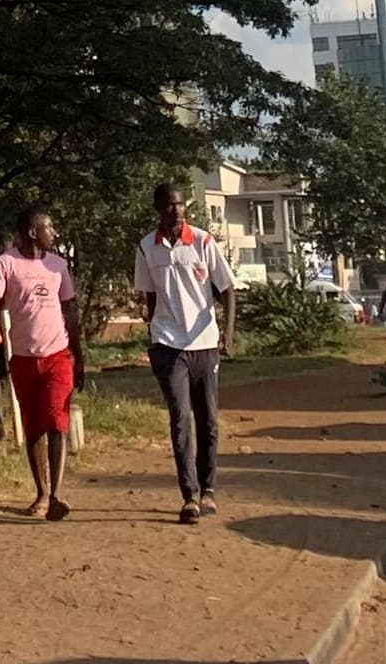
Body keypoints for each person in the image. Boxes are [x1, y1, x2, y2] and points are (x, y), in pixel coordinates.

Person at [133, 183, 231, 525]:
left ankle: (209, 490)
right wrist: (152, 329)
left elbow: (227, 289)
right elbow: (148, 294)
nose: (176, 211)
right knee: (180, 418)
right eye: (169, 206)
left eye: (180, 205)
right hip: (167, 344)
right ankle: (189, 495)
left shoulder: (203, 241)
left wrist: (227, 334)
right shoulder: (147, 247)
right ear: (158, 209)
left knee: (208, 420)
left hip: (204, 342)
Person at [0, 208, 80, 523]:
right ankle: (41, 491)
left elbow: (70, 310)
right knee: (34, 427)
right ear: (32, 232)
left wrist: (80, 353)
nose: (54, 232)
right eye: (49, 227)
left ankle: (56, 495)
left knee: (56, 422)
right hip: (24, 359)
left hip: (58, 356)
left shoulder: (59, 266)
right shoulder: (6, 263)